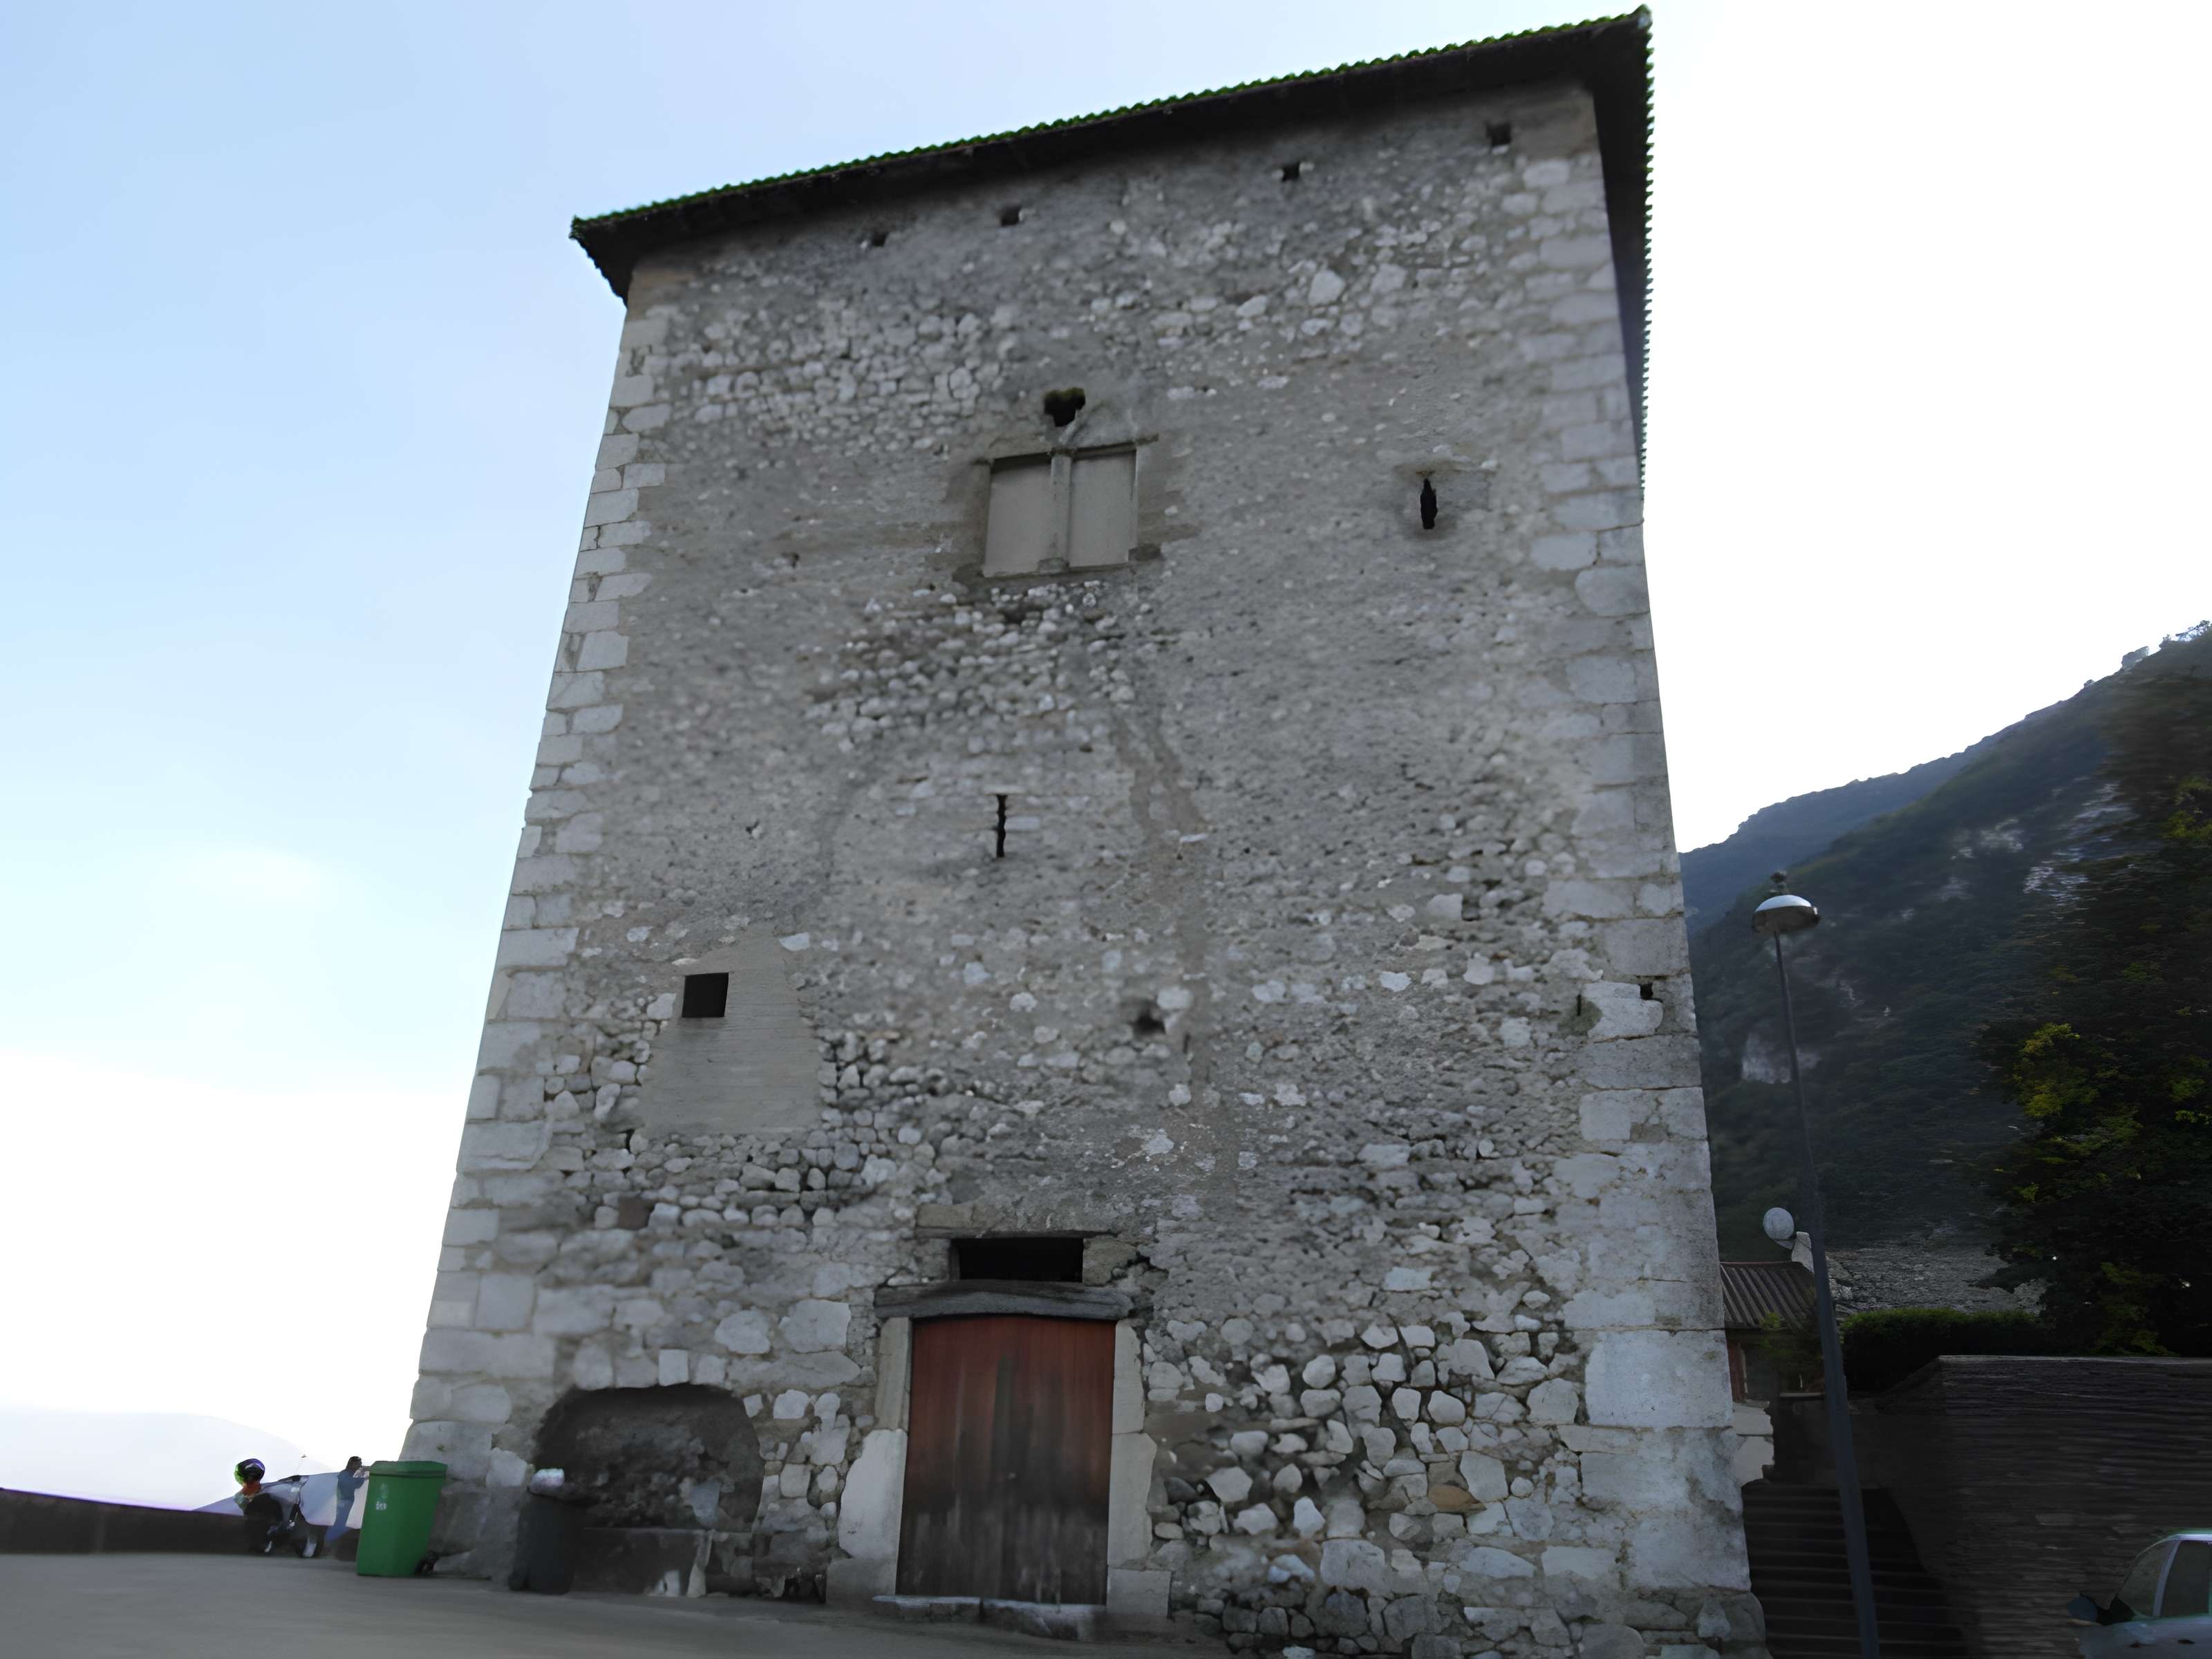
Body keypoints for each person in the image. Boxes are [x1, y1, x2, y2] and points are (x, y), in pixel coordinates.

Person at [325, 1457, 368, 1553]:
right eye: (358, 1463)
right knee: (340, 1524)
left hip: (347, 1502)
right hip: (344, 1502)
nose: (359, 1465)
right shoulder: (345, 1474)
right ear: (352, 1463)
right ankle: (328, 1544)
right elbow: (350, 1485)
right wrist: (363, 1479)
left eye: (360, 1463)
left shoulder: (350, 1473)